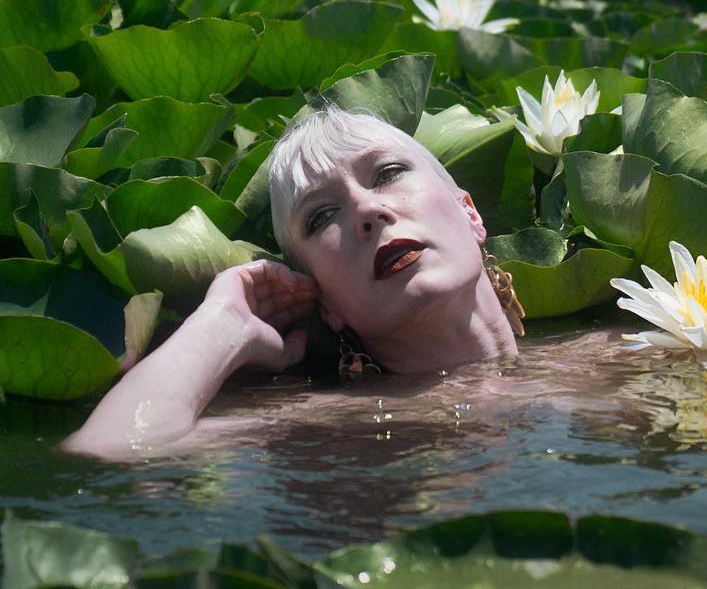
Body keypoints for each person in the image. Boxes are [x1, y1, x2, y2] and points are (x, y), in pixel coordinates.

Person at [63, 106, 523, 458]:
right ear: (326, 305)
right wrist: (222, 324)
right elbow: (110, 448)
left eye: (388, 174)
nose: (366, 211)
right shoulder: (328, 421)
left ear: (469, 211)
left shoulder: (597, 353)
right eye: (322, 216)